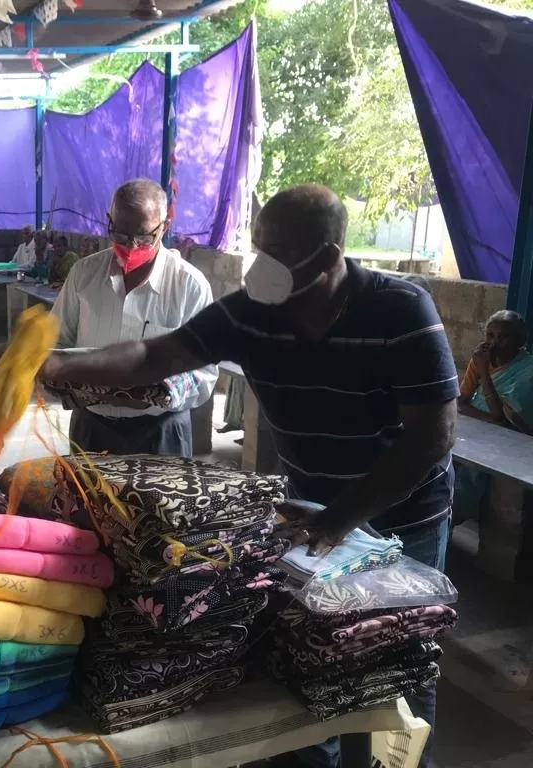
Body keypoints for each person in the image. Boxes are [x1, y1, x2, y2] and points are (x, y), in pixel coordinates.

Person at [40, 184, 457, 768]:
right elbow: (157, 355)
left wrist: (340, 520)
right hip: (315, 504)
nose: (262, 265)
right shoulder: (252, 313)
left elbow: (431, 440)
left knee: (398, 655)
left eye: (278, 251)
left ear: (330, 257)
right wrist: (65, 364)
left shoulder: (400, 310)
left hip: (401, 512)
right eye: (259, 246)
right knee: (314, 646)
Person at [50, 179, 217, 457]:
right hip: (91, 425)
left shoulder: (189, 285)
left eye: (143, 236)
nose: (131, 246)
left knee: (159, 502)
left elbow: (205, 373)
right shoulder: (84, 275)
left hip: (162, 430)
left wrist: (158, 393)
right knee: (89, 500)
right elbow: (58, 341)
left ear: (164, 226)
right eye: (120, 234)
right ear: (109, 221)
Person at [454, 310, 533, 523]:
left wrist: (484, 372)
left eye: (503, 337)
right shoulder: (481, 359)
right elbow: (461, 401)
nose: (495, 343)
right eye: (490, 335)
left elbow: (501, 418)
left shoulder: (528, 371)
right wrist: (486, 417)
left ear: (519, 341)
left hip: (512, 443)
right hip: (479, 429)